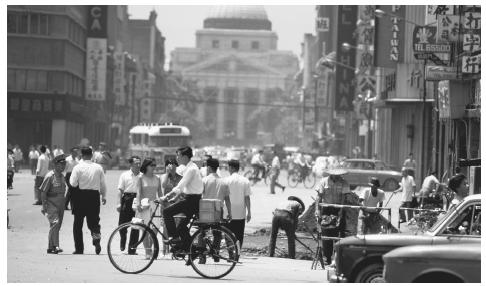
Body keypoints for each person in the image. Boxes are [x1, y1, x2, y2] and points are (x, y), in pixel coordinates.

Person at [161, 146, 203, 251]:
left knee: (166, 212)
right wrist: (174, 198)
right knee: (181, 227)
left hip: (191, 201)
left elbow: (180, 186)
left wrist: (166, 196)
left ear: (185, 156)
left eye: (178, 155)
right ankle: (191, 250)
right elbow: (185, 188)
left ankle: (174, 238)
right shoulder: (189, 167)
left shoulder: (191, 169)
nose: (177, 158)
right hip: (192, 200)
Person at [69, 147, 107, 255]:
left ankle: (79, 249)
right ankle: (96, 239)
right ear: (92, 155)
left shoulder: (77, 167)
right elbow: (103, 184)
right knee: (94, 222)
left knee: (78, 224)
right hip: (94, 197)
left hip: (81, 197)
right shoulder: (98, 167)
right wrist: (104, 196)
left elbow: (73, 183)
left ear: (82, 155)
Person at [315, 169, 350, 265]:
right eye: (335, 175)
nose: (337, 176)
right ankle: (327, 258)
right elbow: (319, 196)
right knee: (326, 234)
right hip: (326, 209)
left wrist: (341, 212)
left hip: (339, 208)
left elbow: (344, 199)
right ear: (331, 174)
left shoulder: (344, 183)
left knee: (339, 234)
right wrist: (317, 210)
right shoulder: (323, 181)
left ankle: (338, 259)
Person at [135, 158, 163, 259]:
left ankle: (151, 249)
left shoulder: (157, 178)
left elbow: (160, 193)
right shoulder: (140, 178)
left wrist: (162, 203)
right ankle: (148, 251)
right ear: (146, 166)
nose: (154, 167)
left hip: (155, 206)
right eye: (152, 165)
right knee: (145, 230)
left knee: (155, 230)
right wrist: (138, 204)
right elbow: (138, 192)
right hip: (144, 206)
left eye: (155, 165)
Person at [40, 155, 67, 254]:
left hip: (60, 204)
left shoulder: (62, 176)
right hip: (51, 203)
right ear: (55, 165)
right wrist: (44, 206)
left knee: (56, 226)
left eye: (64, 164)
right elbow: (43, 192)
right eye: (61, 164)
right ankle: (56, 246)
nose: (63, 167)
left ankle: (50, 247)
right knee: (55, 223)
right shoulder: (49, 176)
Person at [116, 156, 142, 254]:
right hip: (127, 199)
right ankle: (123, 239)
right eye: (136, 163)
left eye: (139, 163)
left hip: (138, 199)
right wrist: (118, 203)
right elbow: (120, 190)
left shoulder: (142, 176)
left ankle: (132, 249)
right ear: (131, 164)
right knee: (122, 224)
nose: (138, 165)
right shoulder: (124, 175)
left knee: (136, 225)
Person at [224, 159, 251, 249]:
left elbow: (223, 197)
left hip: (228, 212)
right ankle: (237, 253)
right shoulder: (245, 180)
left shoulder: (226, 180)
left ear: (231, 168)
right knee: (239, 235)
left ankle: (231, 253)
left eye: (228, 167)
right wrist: (249, 212)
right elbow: (247, 197)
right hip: (240, 213)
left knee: (228, 234)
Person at [160, 158, 182, 254]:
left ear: (176, 165)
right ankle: (164, 250)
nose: (171, 166)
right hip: (166, 205)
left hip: (177, 205)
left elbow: (181, 190)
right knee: (165, 227)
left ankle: (176, 250)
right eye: (169, 164)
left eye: (173, 164)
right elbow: (163, 185)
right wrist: (167, 173)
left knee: (177, 227)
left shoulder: (181, 177)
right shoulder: (164, 177)